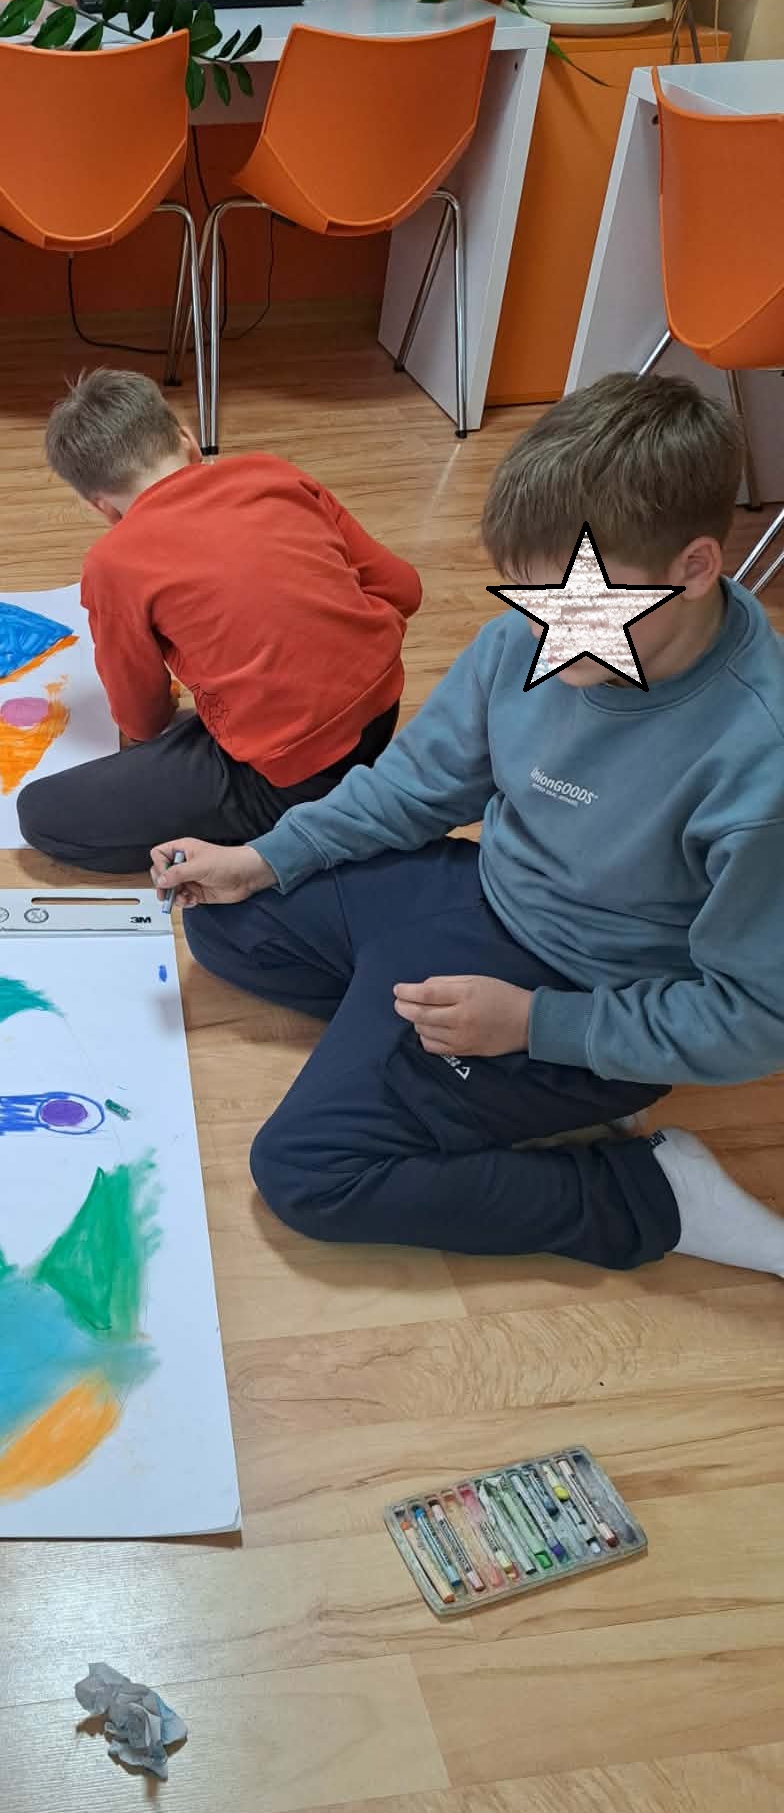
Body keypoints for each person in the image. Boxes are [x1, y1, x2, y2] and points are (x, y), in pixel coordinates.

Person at [153, 372, 784, 1278]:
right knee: (226, 918)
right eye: (527, 593)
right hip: (479, 899)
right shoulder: (528, 639)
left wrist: (538, 1026)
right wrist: (263, 855)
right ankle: (459, 1070)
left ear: (694, 568)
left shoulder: (760, 760)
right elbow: (414, 787)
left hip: (591, 983)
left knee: (307, 1174)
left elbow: (756, 1019)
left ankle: (651, 1194)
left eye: (572, 601)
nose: (542, 629)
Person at [17, 368, 422, 872]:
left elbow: (142, 719)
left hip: (292, 773)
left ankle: (291, 840)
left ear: (102, 507)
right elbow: (404, 589)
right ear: (187, 439)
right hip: (382, 712)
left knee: (40, 813)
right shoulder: (273, 474)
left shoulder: (113, 562)